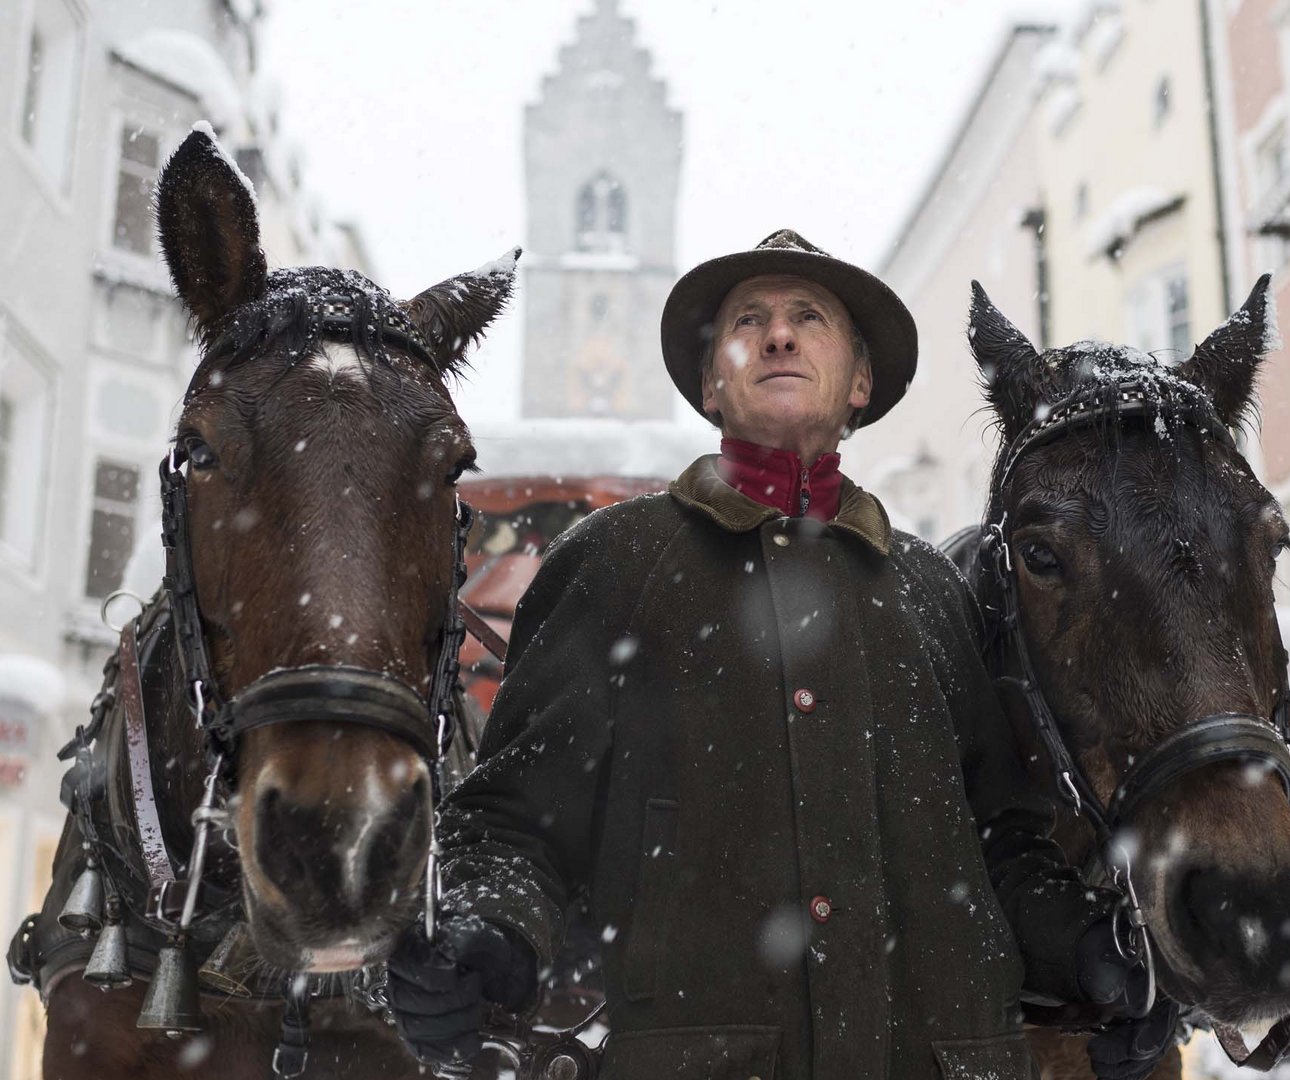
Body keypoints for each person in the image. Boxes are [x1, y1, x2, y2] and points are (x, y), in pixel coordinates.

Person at [387, 230, 1177, 1079]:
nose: (778, 336)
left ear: (860, 384)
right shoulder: (614, 563)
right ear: (710, 386)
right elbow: (513, 822)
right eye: (749, 321)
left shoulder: (930, 592)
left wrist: (1087, 951)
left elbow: (1004, 848)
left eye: (809, 318)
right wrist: (488, 929)